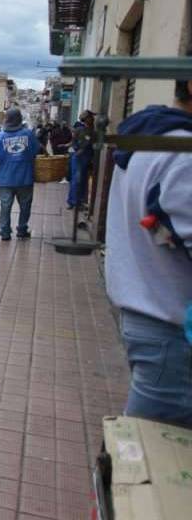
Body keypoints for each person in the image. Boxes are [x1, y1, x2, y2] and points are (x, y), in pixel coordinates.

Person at [106, 79, 192, 427]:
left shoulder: (148, 140)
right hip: (172, 328)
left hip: (149, 315)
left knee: (148, 448)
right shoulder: (182, 154)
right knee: (156, 459)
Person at [0, 108, 38, 241]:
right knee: (25, 206)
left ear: (7, 119)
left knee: (5, 206)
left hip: (6, 178)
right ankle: (22, 229)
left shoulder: (0, 137)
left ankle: (5, 232)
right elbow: (35, 151)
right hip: (25, 178)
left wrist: (7, 158)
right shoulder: (28, 134)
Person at [67, 110, 95, 210]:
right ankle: (73, 201)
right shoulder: (79, 130)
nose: (93, 119)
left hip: (86, 157)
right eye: (91, 117)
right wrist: (78, 149)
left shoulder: (92, 131)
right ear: (86, 118)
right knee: (76, 179)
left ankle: (80, 201)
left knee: (83, 180)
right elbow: (73, 142)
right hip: (79, 157)